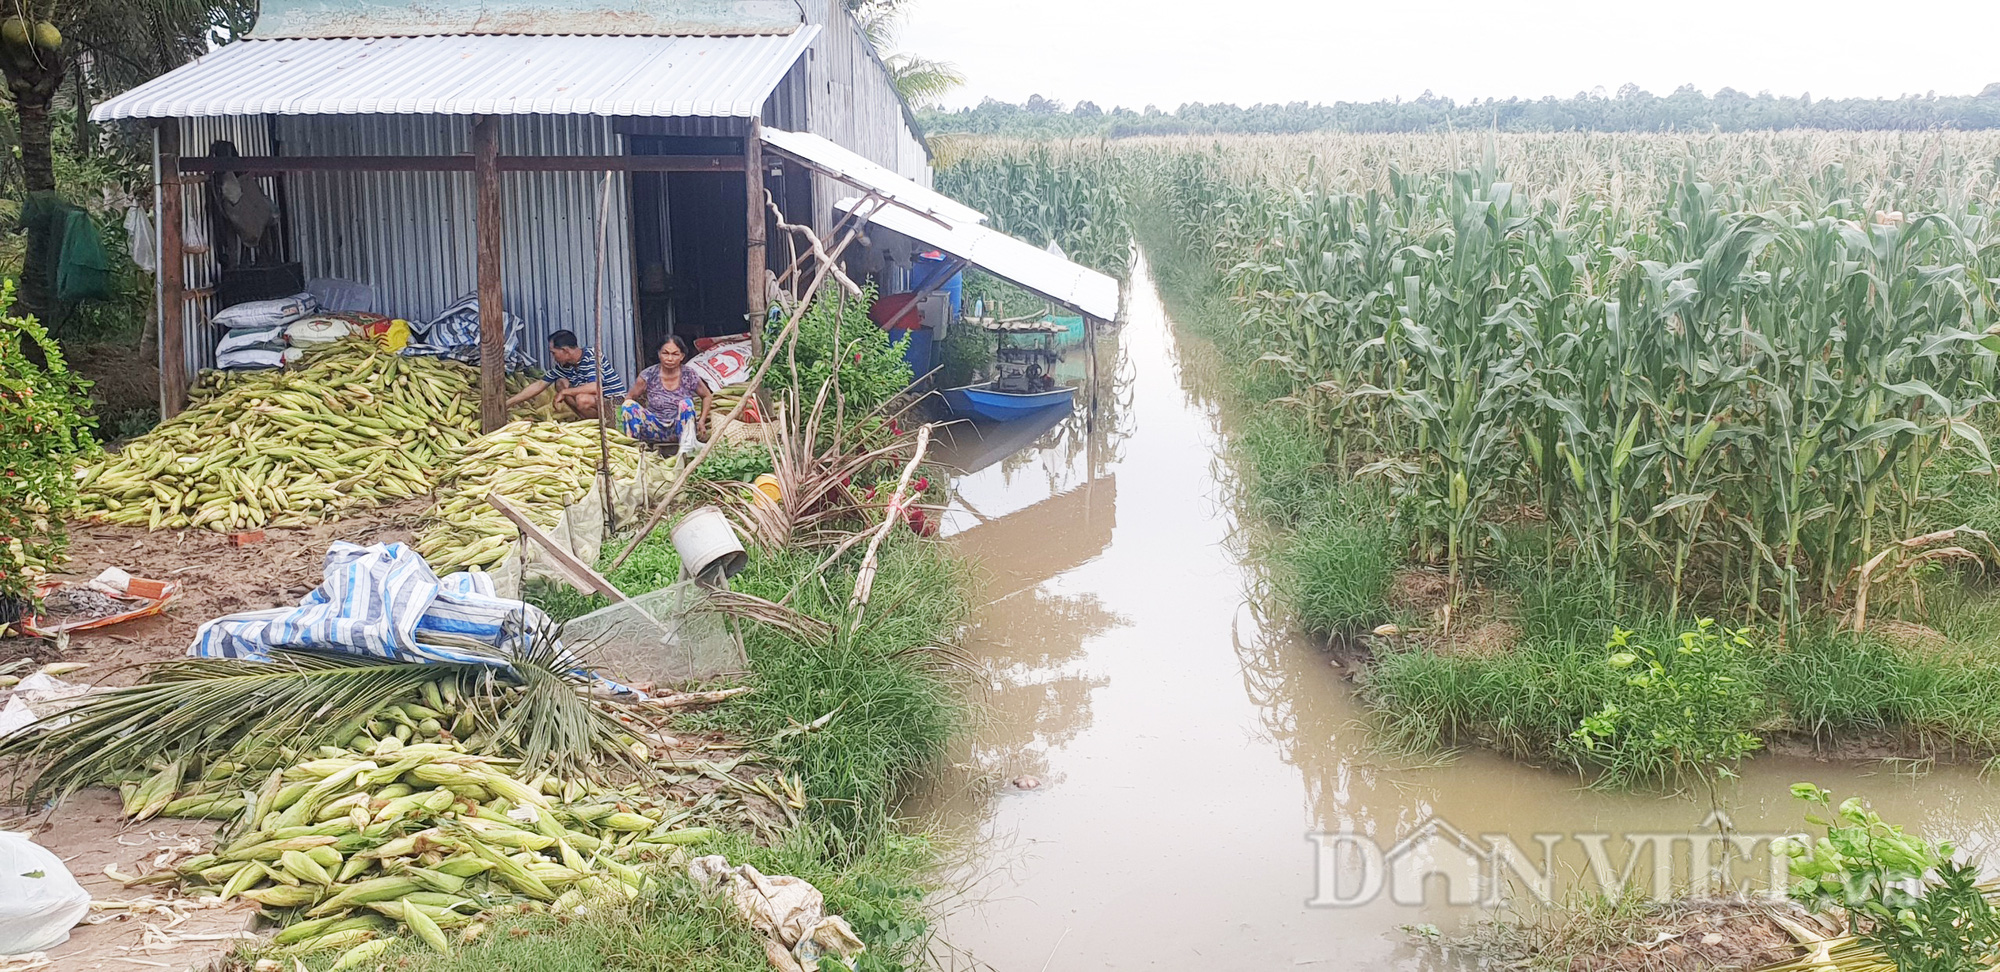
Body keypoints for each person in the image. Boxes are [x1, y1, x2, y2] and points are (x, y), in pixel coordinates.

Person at [506, 329, 627, 419]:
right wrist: (509, 402)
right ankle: (586, 419)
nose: (553, 357)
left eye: (553, 353)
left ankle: (604, 424)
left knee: (582, 399)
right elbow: (540, 385)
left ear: (565, 351)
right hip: (597, 402)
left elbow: (594, 387)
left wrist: (564, 393)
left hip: (614, 402)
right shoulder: (564, 365)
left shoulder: (591, 356)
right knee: (560, 383)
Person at [622, 335, 712, 443]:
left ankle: (686, 449)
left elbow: (706, 396)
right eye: (665, 353)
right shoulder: (648, 375)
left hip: (680, 429)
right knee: (628, 406)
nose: (670, 358)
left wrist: (701, 421)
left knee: (686, 404)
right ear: (659, 354)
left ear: (682, 356)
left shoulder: (689, 374)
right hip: (654, 428)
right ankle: (634, 448)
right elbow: (629, 397)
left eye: (675, 354)